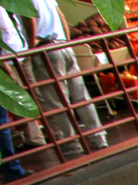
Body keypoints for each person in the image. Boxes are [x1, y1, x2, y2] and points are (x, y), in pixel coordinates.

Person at [23, 0, 107, 155]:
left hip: (45, 48)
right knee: (81, 96)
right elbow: (61, 16)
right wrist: (67, 43)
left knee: (57, 101)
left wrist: (29, 46)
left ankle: (72, 143)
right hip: (63, 46)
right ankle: (99, 137)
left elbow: (30, 21)